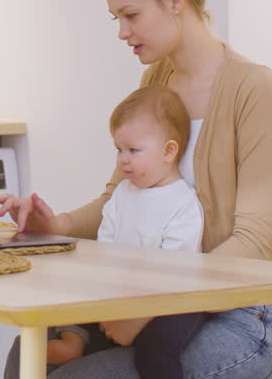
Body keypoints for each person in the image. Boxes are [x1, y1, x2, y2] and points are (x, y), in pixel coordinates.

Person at [0, 0, 272, 379]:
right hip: (152, 299)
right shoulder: (155, 83)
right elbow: (120, 195)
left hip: (240, 316)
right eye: (116, 17)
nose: (122, 32)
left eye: (131, 14)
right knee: (26, 356)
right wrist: (56, 226)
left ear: (175, 0)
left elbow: (254, 238)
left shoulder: (254, 88)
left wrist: (156, 307)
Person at [44, 85, 208, 378]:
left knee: (156, 347)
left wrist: (137, 311)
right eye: (119, 149)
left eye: (133, 150)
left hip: (168, 300)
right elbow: (105, 245)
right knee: (66, 298)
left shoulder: (182, 203)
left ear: (168, 151)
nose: (123, 159)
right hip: (120, 289)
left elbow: (177, 271)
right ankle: (73, 341)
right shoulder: (122, 194)